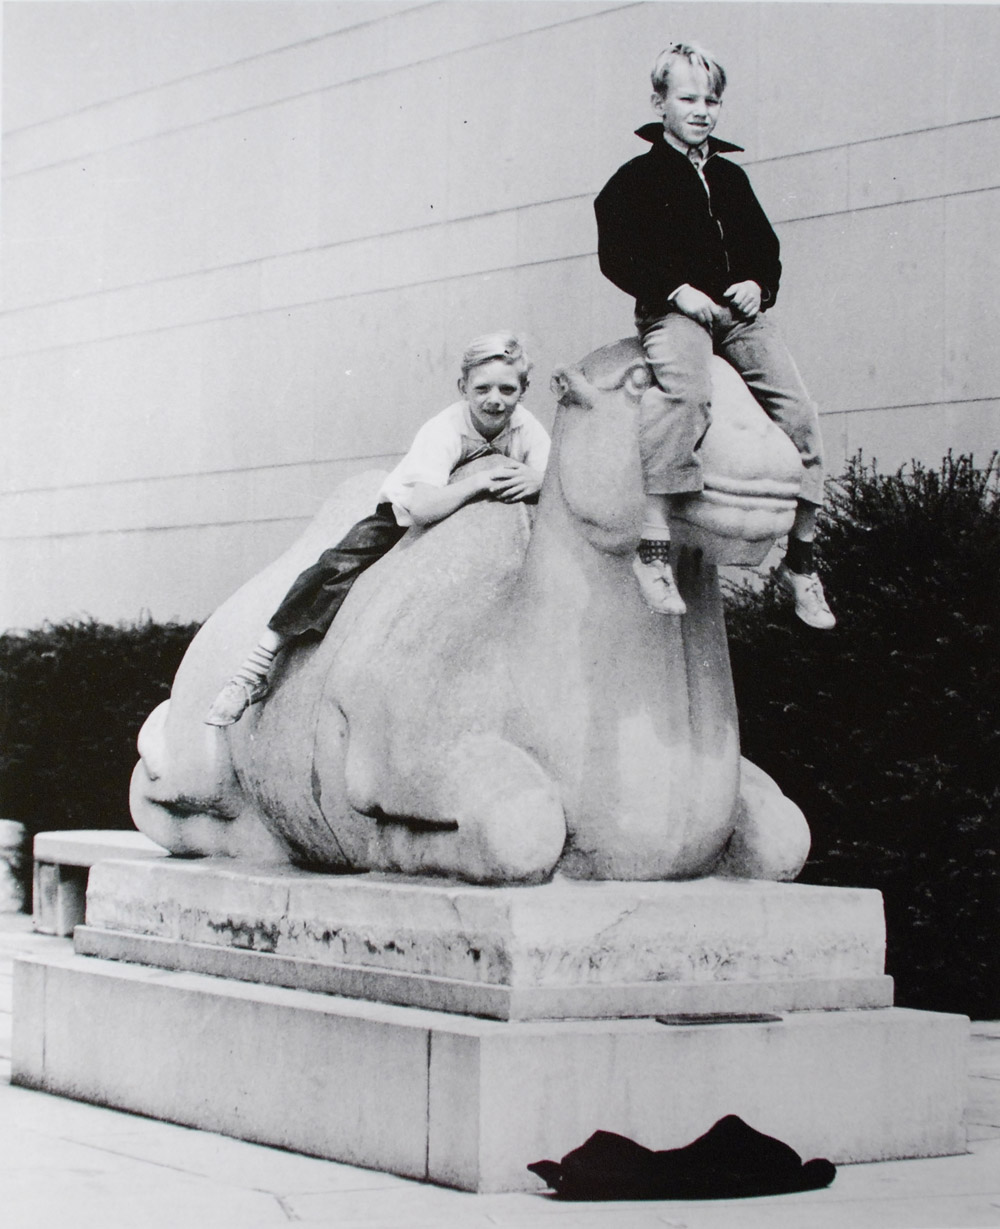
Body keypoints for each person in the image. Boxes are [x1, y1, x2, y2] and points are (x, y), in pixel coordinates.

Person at [594, 41, 835, 629]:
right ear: (660, 103)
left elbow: (764, 248)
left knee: (800, 410)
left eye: (712, 99)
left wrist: (758, 283)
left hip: (736, 313)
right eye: (688, 98)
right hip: (674, 310)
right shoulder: (635, 179)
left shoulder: (731, 176)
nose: (702, 110)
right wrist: (676, 290)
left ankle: (801, 560)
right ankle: (653, 544)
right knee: (686, 395)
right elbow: (618, 253)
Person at [205, 332, 550, 726]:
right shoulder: (446, 429)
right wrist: (478, 481)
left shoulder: (527, 428)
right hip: (404, 515)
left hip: (483, 529)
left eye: (508, 389)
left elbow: (554, 478)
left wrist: (541, 480)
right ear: (462, 388)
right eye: (482, 388)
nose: (495, 399)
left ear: (524, 390)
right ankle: (254, 669)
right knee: (337, 567)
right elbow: (421, 506)